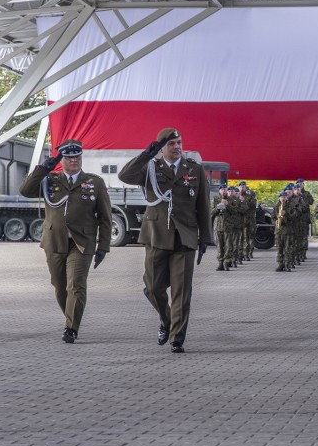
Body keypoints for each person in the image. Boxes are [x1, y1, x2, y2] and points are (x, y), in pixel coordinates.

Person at [118, 128, 213, 354]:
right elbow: (125, 176)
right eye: (171, 144)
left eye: (179, 142)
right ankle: (165, 320)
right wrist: (146, 154)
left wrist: (205, 239)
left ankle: (177, 338)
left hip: (185, 237)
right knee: (152, 288)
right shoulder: (150, 168)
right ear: (161, 148)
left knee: (181, 291)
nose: (177, 147)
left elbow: (203, 205)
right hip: (156, 236)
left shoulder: (195, 170)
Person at [18, 139, 112, 344]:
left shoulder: (94, 182)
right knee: (60, 286)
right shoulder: (49, 180)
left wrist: (103, 246)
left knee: (76, 285)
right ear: (62, 160)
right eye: (69, 157)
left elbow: (105, 218)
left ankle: (71, 328)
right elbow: (24, 190)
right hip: (54, 241)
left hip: (82, 242)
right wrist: (42, 170)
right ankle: (71, 315)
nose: (74, 160)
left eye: (77, 156)